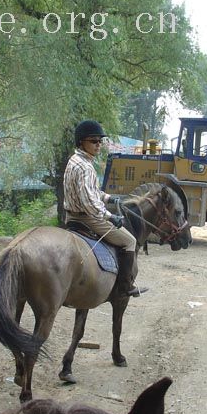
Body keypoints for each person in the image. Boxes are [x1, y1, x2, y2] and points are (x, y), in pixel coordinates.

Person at [64, 119, 148, 297]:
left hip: (70, 217)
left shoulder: (75, 160)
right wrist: (110, 216)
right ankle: (125, 286)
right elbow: (89, 203)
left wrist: (110, 198)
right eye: (94, 141)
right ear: (81, 142)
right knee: (130, 241)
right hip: (87, 218)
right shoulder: (85, 167)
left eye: (100, 141)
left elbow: (92, 192)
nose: (98, 145)